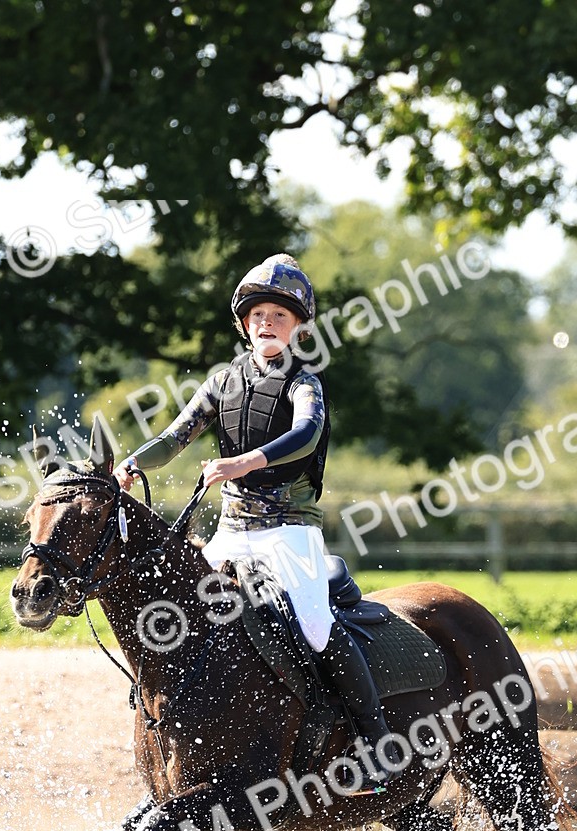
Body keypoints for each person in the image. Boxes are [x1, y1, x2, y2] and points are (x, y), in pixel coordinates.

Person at [114, 253, 398, 793]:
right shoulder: (221, 383)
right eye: (259, 315)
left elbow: (307, 434)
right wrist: (132, 464)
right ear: (245, 324)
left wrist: (244, 463)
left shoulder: (304, 383)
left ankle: (375, 745)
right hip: (232, 534)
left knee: (315, 628)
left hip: (289, 533)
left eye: (281, 317)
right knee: (180, 611)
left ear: (297, 328)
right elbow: (174, 439)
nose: (268, 323)